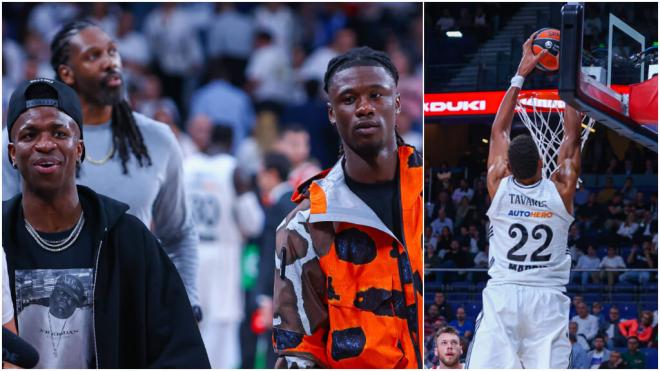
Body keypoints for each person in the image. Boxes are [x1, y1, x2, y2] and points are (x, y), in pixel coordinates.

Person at [2, 78, 209, 368]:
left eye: (59, 133)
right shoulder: (1, 238)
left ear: (80, 149)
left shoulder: (128, 238)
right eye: (29, 135)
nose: (45, 144)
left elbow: (181, 353)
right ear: (13, 153)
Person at [2, 20, 201, 318]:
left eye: (112, 52)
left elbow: (179, 232)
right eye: (93, 56)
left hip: (133, 309)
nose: (110, 62)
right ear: (66, 72)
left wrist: (187, 304)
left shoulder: (158, 140)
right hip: (43, 307)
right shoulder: (23, 139)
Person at [272, 47, 423, 368]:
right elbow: (300, 350)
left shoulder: (433, 186)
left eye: (376, 95)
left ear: (397, 103)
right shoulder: (306, 222)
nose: (364, 108)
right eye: (349, 99)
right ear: (331, 113)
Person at [465, 35, 580, 368]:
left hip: (504, 295)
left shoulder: (497, 185)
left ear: (507, 166)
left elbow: (499, 130)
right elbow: (571, 137)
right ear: (545, 164)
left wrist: (520, 72)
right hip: (547, 300)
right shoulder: (561, 189)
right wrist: (566, 77)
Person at [183, 125, 265, 368]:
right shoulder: (234, 169)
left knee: (190, 323)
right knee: (222, 329)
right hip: (222, 258)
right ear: (231, 142)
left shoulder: (187, 165)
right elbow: (254, 224)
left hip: (189, 254)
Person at [254, 152, 295, 368]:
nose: (258, 178)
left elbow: (272, 252)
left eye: (261, 173)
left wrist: (265, 296)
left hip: (279, 291)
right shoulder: (295, 199)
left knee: (274, 351)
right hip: (293, 291)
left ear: (272, 174)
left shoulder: (279, 205)